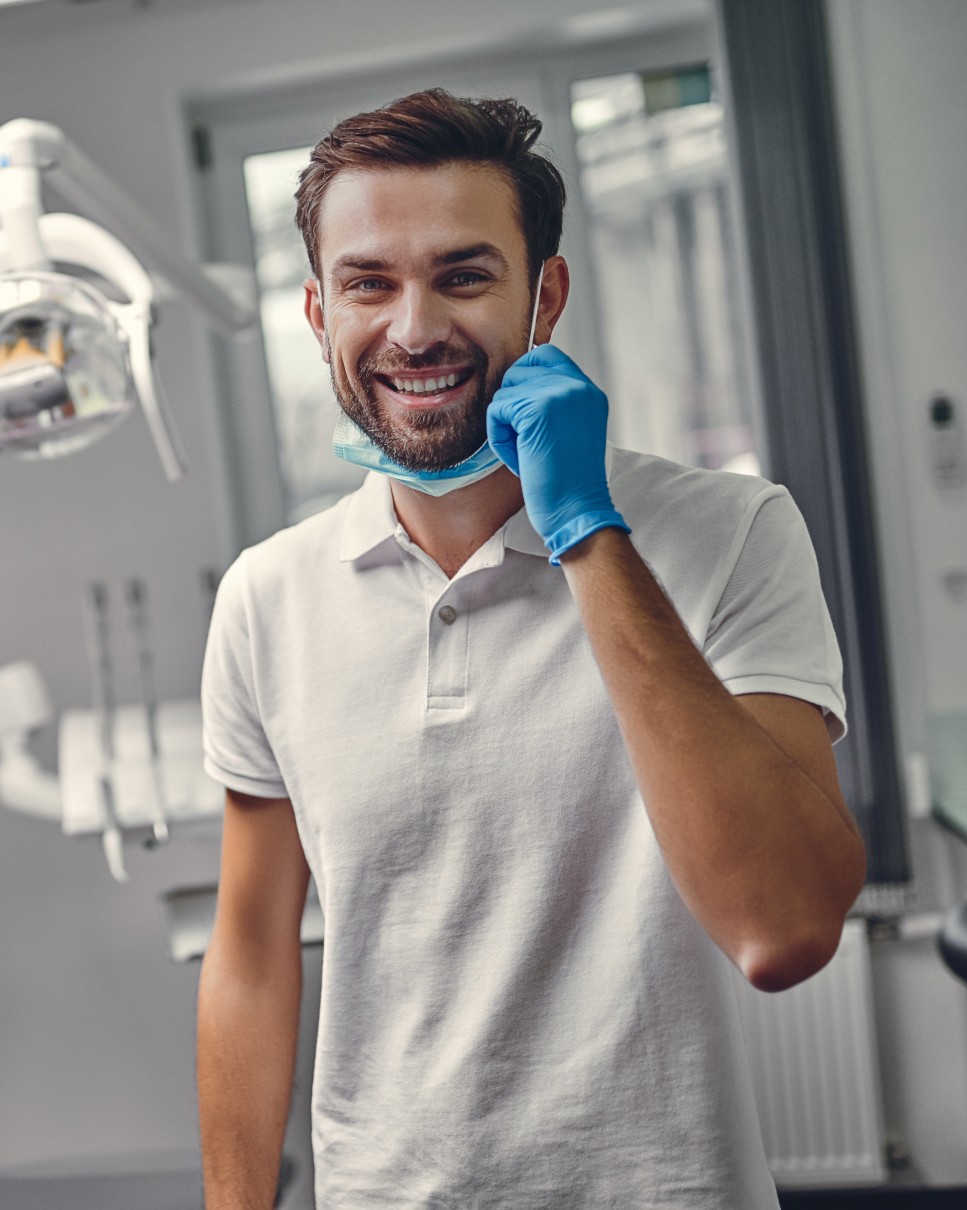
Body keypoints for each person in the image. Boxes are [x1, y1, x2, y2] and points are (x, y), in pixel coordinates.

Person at [196, 89, 866, 1210]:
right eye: (368, 282)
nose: (412, 328)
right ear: (317, 315)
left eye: (462, 275)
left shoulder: (732, 533)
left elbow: (785, 924)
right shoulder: (265, 599)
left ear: (542, 295)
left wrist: (586, 531)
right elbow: (252, 954)